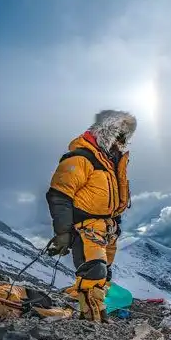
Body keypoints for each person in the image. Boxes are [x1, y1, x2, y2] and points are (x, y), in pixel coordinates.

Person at [44, 110, 136, 321]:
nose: (121, 142)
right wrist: (63, 233)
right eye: (119, 136)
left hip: (107, 228)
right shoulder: (81, 159)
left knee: (103, 274)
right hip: (86, 227)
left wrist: (116, 223)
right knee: (93, 271)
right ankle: (90, 319)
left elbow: (111, 200)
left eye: (124, 137)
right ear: (107, 133)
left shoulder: (110, 164)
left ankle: (97, 315)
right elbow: (59, 195)